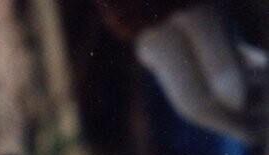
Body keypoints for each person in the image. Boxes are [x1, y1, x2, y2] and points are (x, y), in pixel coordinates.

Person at [97, 0, 267, 141]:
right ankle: (261, 137)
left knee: (232, 89)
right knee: (193, 106)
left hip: (186, 6)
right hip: (144, 22)